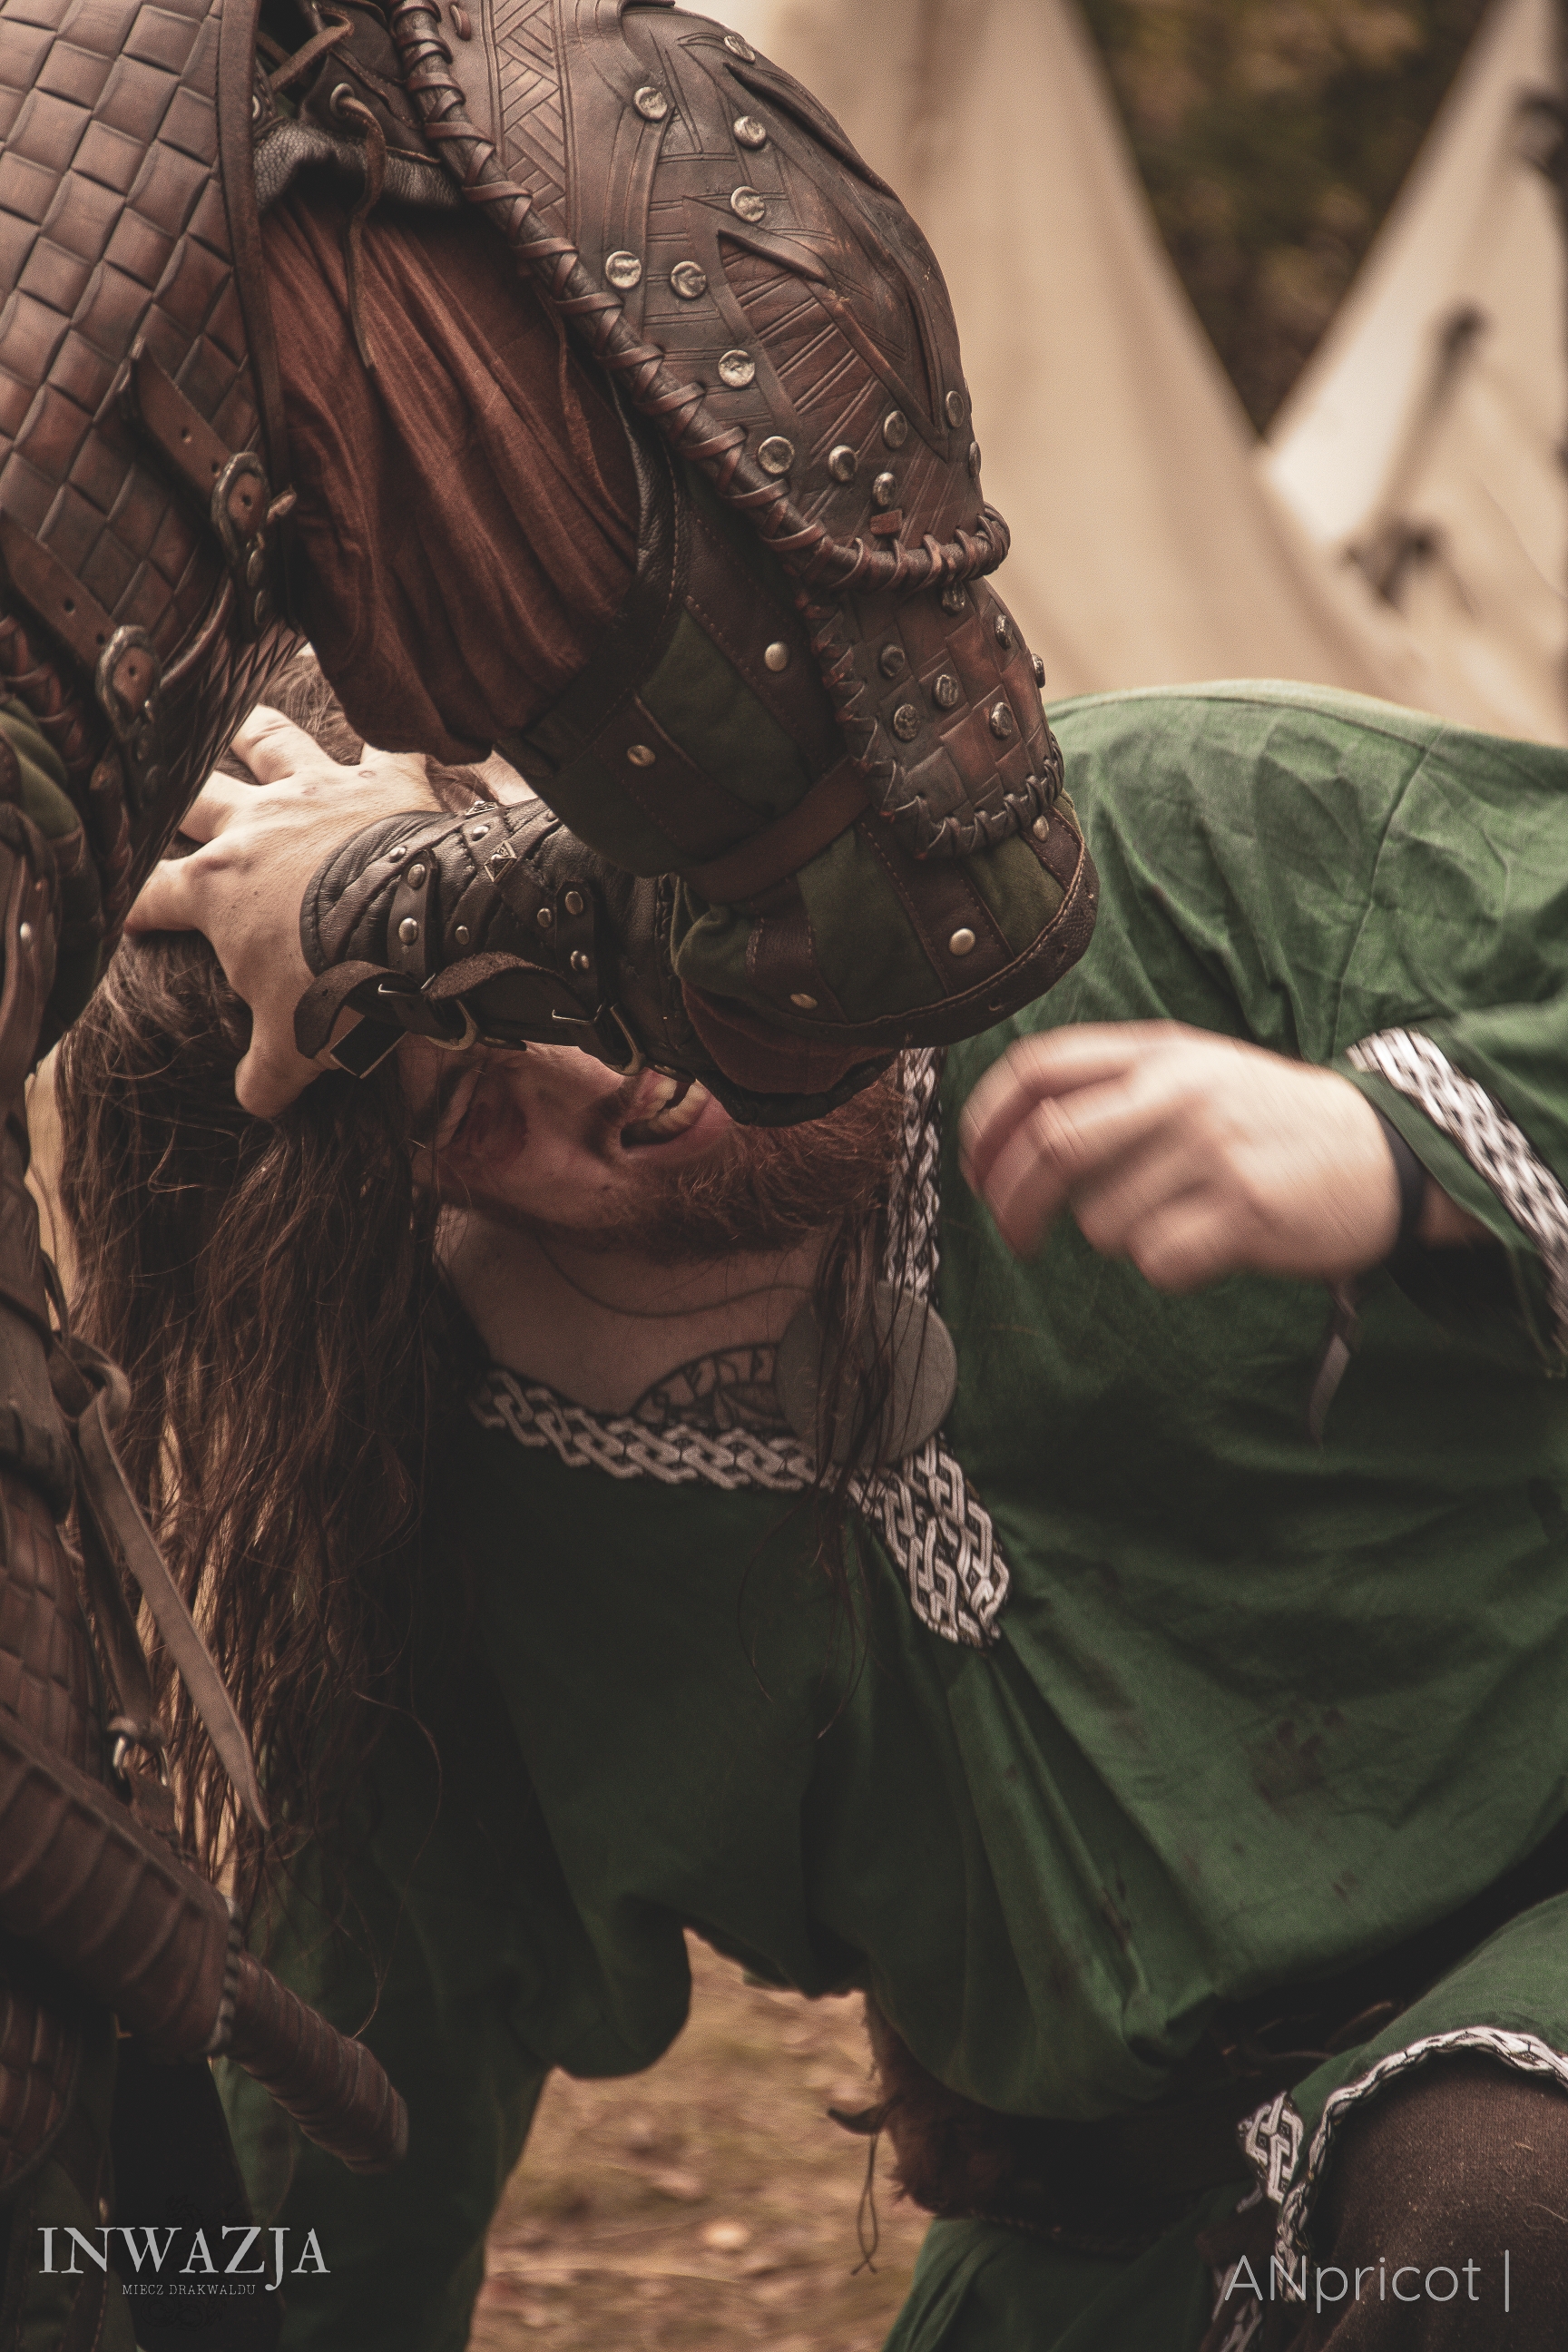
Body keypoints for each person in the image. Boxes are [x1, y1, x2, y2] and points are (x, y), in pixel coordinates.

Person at [42, 655, 1568, 2352]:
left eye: (536, 929)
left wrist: (1399, 1159)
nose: (600, 1076)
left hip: (1534, 2045)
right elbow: (344, 2148)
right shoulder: (453, 1514)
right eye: (473, 1104)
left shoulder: (1163, 843)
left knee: (1502, 2219)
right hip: (1118, 2261)